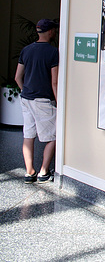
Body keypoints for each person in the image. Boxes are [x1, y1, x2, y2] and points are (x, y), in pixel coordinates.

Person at [15, 18, 59, 184]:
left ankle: (29, 172)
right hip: (42, 100)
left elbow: (17, 77)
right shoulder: (52, 52)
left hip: (26, 99)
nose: (55, 33)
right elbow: (54, 82)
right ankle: (43, 171)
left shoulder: (26, 50)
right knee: (54, 135)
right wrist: (58, 101)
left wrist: (24, 90)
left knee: (28, 135)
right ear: (49, 32)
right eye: (54, 30)